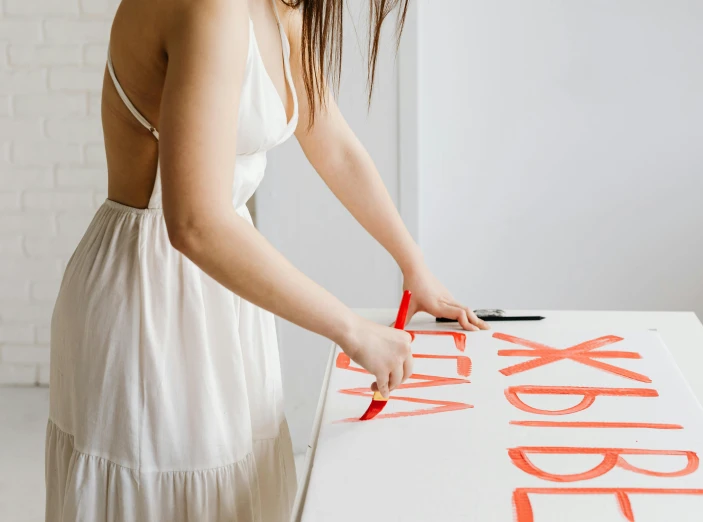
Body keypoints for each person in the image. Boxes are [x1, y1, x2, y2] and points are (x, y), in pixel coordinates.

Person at [45, 0, 488, 520]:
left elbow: (333, 144)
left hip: (223, 289)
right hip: (152, 296)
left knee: (236, 495)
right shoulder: (211, 9)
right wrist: (353, 330)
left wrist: (414, 266)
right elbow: (195, 224)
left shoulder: (279, 8)